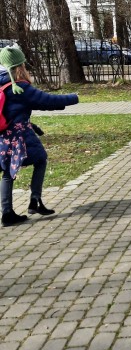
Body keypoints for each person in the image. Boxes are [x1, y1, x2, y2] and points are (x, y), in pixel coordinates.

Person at [0, 46, 79, 228]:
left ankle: (7, 212)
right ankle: (34, 201)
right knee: (41, 160)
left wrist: (32, 125)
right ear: (20, 65)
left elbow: (12, 111)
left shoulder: (2, 84)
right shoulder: (19, 87)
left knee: (7, 172)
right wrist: (74, 98)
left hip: (4, 138)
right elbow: (47, 101)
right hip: (20, 138)